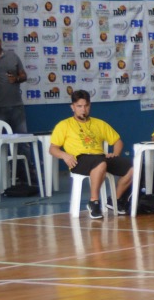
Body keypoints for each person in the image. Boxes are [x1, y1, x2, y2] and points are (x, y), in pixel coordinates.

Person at [49, 89, 136, 220]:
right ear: (72, 107)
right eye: (79, 106)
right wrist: (65, 156)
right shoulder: (64, 125)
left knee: (134, 167)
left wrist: (115, 154)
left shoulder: (99, 123)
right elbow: (53, 149)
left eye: (86, 106)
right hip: (79, 159)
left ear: (90, 106)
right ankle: (94, 202)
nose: (83, 109)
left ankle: (114, 199)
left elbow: (118, 141)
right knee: (100, 163)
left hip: (101, 157)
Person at [0, 33, 28, 134]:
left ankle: (22, 151)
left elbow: (24, 75)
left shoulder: (12, 55)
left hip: (16, 105)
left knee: (22, 139)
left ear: (0, 41)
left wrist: (16, 78)